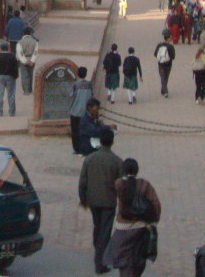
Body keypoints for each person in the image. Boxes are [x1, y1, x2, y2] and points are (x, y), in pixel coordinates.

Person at [105, 158, 161, 277]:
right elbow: (156, 205)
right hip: (141, 229)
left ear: (123, 170)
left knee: (124, 263)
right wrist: (153, 222)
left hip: (122, 229)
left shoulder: (119, 184)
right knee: (138, 261)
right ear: (137, 170)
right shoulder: (145, 185)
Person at [79, 129, 123, 275]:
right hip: (109, 201)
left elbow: (83, 181)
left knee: (98, 227)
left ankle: (98, 249)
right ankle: (100, 262)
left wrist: (83, 199)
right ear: (112, 142)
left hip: (93, 200)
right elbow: (121, 185)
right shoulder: (117, 161)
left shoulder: (90, 158)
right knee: (105, 231)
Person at [69, 66, 93, 154]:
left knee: (75, 132)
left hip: (75, 111)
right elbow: (92, 96)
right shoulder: (89, 84)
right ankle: (85, 147)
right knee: (86, 131)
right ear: (86, 74)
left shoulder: (75, 85)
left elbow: (71, 95)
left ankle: (77, 149)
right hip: (86, 112)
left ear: (78, 74)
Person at [0, 41, 19, 116]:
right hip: (10, 77)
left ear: (0, 48)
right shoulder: (12, 57)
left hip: (0, 77)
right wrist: (15, 76)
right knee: (11, 94)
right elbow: (16, 68)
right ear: (8, 47)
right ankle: (11, 112)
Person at [16, 26, 38, 95]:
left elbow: (20, 53)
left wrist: (25, 61)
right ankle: (30, 89)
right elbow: (35, 52)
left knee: (24, 75)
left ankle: (26, 91)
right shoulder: (35, 42)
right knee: (30, 75)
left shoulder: (20, 42)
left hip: (23, 61)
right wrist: (32, 60)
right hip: (32, 60)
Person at [153, 34, 176, 98]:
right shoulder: (171, 47)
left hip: (160, 64)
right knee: (166, 77)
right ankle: (165, 91)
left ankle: (163, 90)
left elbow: (155, 54)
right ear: (168, 39)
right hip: (168, 64)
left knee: (162, 77)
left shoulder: (159, 45)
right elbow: (173, 57)